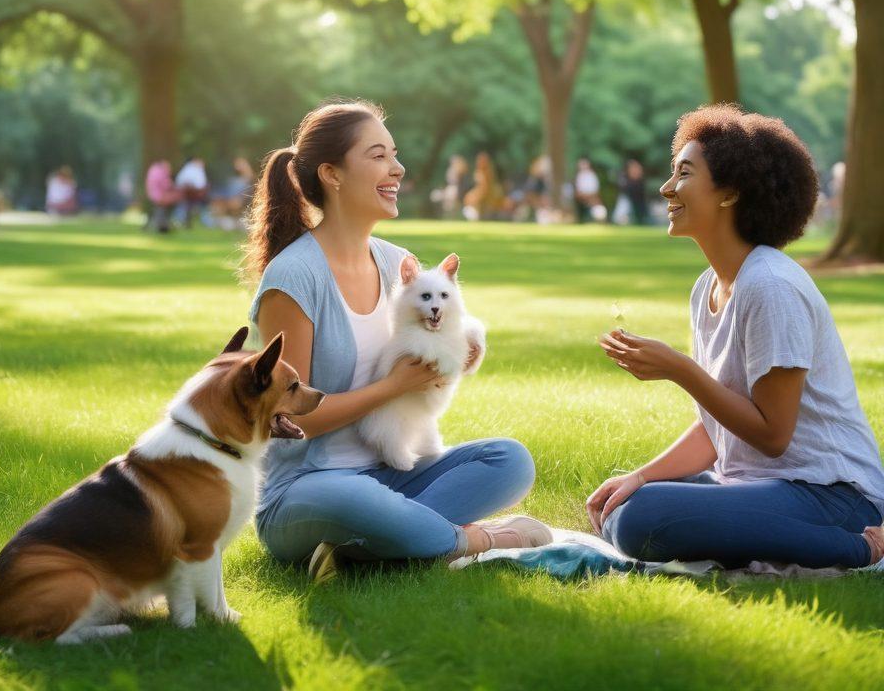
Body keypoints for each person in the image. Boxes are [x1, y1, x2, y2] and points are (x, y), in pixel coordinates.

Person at [245, 100, 549, 581]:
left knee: (509, 460)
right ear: (333, 174)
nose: (398, 168)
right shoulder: (294, 278)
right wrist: (392, 387)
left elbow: (424, 353)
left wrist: (458, 353)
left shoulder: (396, 264)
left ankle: (371, 546)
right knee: (355, 499)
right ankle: (476, 539)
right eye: (378, 155)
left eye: (394, 154)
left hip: (395, 472)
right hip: (309, 488)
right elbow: (286, 418)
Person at [587, 104, 884, 570]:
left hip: (832, 496)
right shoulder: (707, 287)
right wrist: (640, 475)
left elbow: (772, 434)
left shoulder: (771, 287)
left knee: (641, 521)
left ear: (729, 193)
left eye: (684, 174)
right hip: (754, 484)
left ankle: (858, 548)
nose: (667, 188)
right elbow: (717, 426)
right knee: (623, 503)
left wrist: (680, 369)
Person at [144, 159, 181, 233]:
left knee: (161, 208)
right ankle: (166, 223)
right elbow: (167, 185)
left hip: (152, 195)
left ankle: (162, 222)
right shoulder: (162, 172)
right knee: (178, 197)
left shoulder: (153, 170)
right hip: (159, 196)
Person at [174, 155, 209, 227]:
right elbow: (201, 184)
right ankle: (205, 221)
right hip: (193, 194)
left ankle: (179, 220)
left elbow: (179, 181)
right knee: (198, 205)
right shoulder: (195, 169)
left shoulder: (187, 169)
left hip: (188, 194)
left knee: (185, 206)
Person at [573, 158, 602, 224]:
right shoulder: (579, 175)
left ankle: (594, 219)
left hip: (591, 196)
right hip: (581, 197)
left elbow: (595, 191)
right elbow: (578, 190)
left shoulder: (592, 175)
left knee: (595, 201)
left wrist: (588, 196)